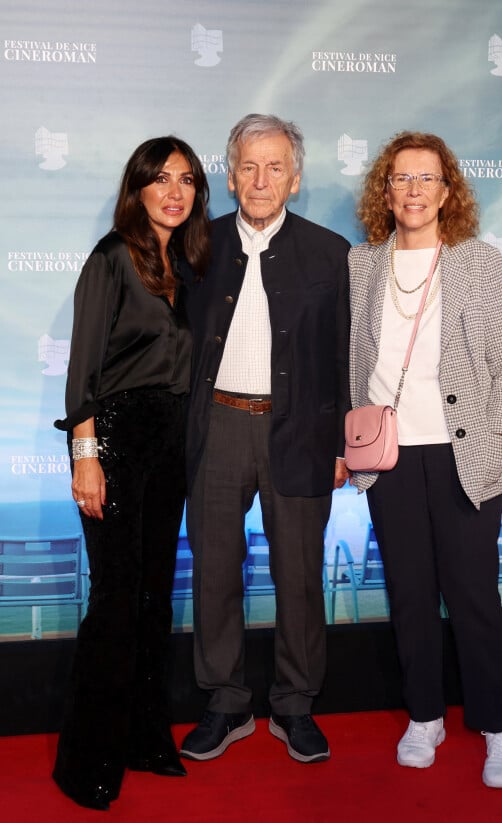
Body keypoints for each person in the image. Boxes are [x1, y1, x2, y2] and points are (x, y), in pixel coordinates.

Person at [348, 131, 502, 788]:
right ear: (386, 191)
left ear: (447, 191)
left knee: (474, 595)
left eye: (427, 178)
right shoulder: (361, 264)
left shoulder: (476, 262)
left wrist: (499, 435)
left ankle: (498, 725)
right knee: (412, 596)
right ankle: (424, 715)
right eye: (401, 178)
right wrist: (351, 441)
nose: (414, 190)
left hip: (464, 456)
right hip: (390, 459)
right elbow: (352, 364)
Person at [180, 113, 350, 765]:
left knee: (300, 575)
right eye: (248, 165)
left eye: (275, 166)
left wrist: (338, 442)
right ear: (229, 176)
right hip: (217, 426)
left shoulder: (331, 252)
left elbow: (343, 358)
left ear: (296, 178)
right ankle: (224, 700)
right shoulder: (198, 245)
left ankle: (296, 703)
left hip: (301, 430)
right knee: (214, 569)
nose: (261, 178)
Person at [52, 136, 210, 810]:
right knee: (116, 601)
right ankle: (87, 759)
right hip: (115, 439)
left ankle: (146, 738)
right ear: (138, 187)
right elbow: (82, 371)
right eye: (161, 178)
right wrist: (87, 462)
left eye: (188, 180)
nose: (175, 191)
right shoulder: (112, 258)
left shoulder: (195, 264)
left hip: (172, 443)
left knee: (153, 598)